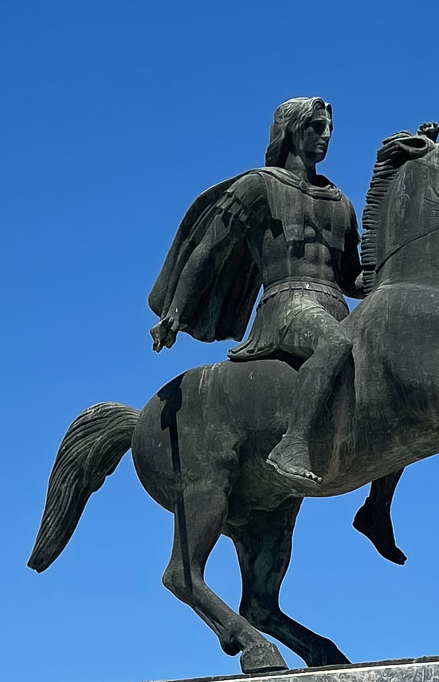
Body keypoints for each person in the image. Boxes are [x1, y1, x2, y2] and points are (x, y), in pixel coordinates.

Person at [146, 96, 408, 564]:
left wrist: (397, 264)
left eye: (329, 128)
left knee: (402, 384)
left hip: (334, 304)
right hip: (286, 304)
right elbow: (209, 249)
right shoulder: (258, 186)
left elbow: (351, 277)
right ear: (290, 130)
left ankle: (377, 506)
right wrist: (176, 313)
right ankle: (291, 448)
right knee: (335, 343)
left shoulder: (340, 201)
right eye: (316, 126)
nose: (325, 135)